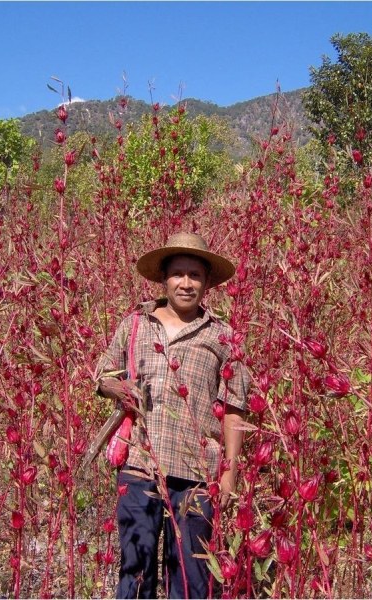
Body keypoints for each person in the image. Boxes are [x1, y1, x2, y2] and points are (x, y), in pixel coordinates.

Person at [94, 233, 249, 599]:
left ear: (207, 283)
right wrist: (113, 388)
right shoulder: (135, 324)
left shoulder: (222, 337)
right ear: (163, 279)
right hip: (139, 463)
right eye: (178, 273)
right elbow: (102, 373)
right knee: (135, 570)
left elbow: (234, 409)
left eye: (194, 275)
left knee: (192, 577)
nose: (186, 283)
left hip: (197, 473)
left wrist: (230, 473)